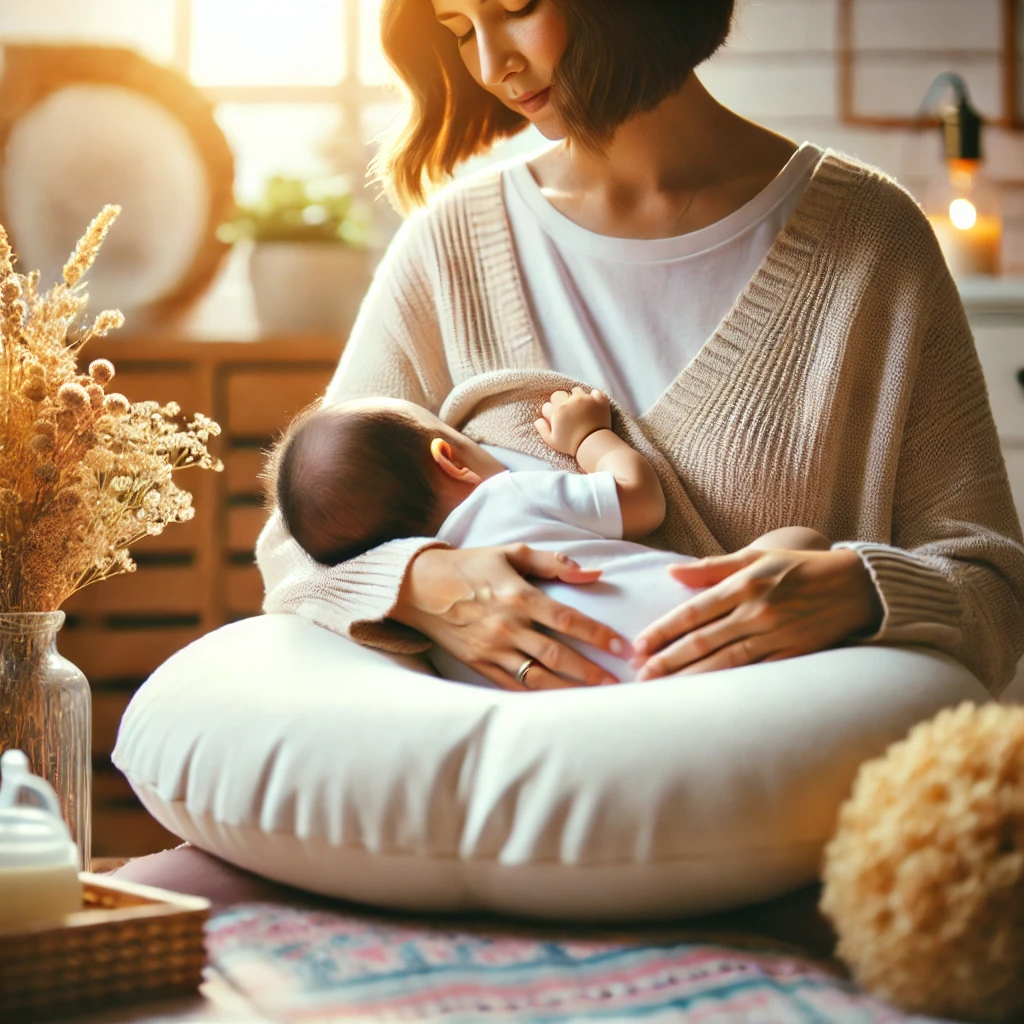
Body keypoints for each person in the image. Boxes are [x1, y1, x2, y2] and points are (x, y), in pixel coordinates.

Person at [257, 0, 1024, 695]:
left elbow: (994, 585)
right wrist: (426, 581)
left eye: (516, 8)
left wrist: (855, 591)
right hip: (519, 815)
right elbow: (297, 549)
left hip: (791, 808)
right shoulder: (449, 250)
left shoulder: (872, 242)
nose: (490, 66)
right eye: (458, 29)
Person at [271, 386, 831, 687]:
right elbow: (640, 499)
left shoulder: (445, 642)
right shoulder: (509, 494)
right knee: (798, 541)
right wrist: (589, 438)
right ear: (451, 458)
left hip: (615, 701)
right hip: (717, 620)